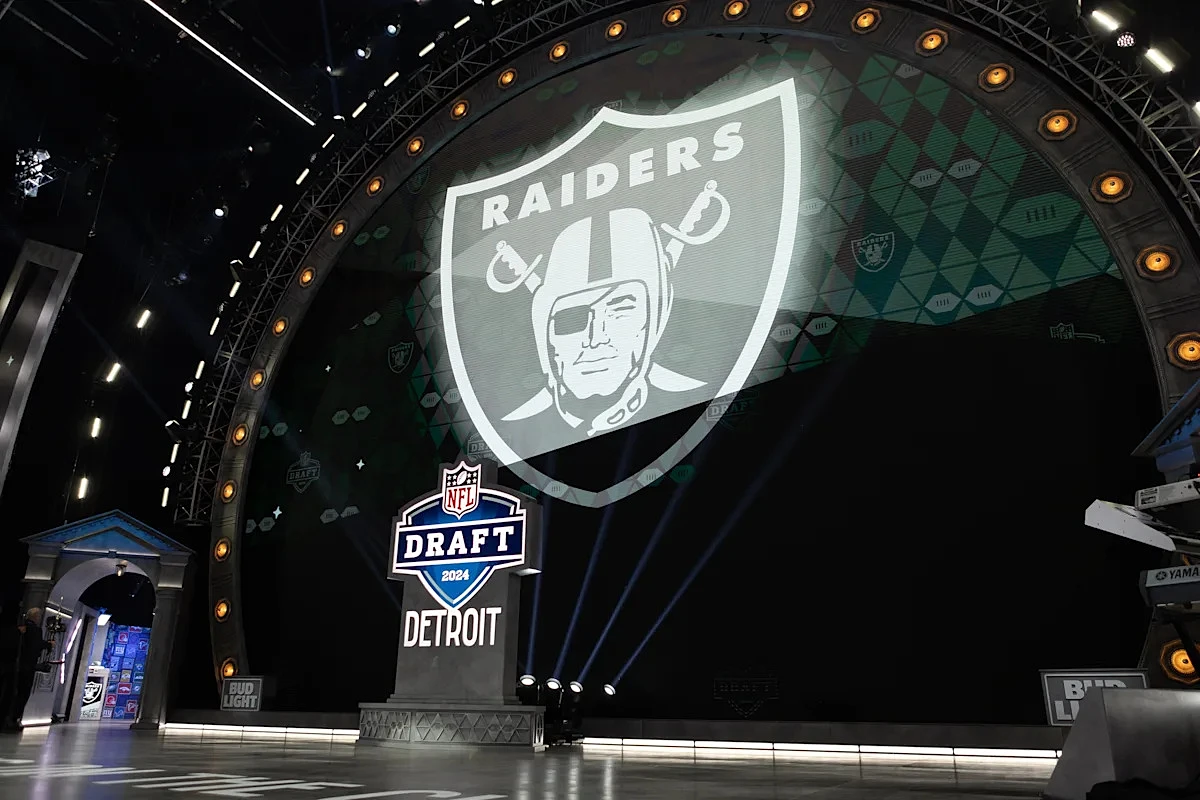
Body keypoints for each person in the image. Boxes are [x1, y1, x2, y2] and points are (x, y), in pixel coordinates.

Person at [0, 608, 48, 731]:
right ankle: (13, 719)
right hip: (26, 667)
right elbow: (35, 646)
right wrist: (48, 644)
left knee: (10, 692)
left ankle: (5, 718)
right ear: (36, 617)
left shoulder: (19, 628)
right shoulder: (35, 630)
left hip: (12, 666)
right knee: (22, 694)